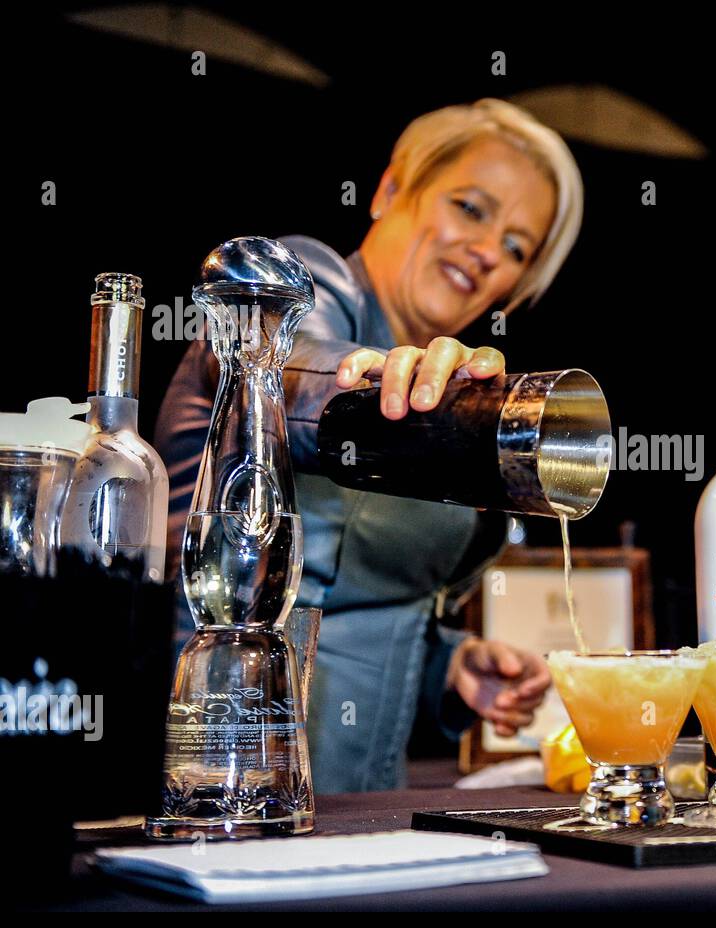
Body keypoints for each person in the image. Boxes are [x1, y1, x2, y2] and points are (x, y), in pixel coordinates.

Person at [156, 99, 584, 792]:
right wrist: (379, 380)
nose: (486, 253)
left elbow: (357, 608)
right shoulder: (302, 280)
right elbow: (284, 367)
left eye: (515, 247)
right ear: (389, 191)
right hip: (220, 784)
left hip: (366, 807)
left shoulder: (445, 385)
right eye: (472, 208)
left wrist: (446, 664)